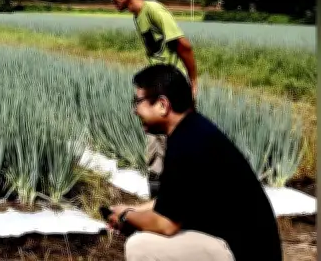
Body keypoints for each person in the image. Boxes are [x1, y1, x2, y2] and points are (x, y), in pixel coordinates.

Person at [106, 64, 282, 261]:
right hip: (247, 246)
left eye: (138, 102)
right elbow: (172, 201)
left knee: (140, 246)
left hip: (242, 252)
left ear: (162, 105)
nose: (135, 110)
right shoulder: (192, 130)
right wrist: (132, 210)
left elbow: (165, 224)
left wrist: (125, 217)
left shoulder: (186, 144)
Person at [104, 0, 198, 198]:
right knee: (155, 144)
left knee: (175, 143)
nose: (112, 2)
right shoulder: (138, 17)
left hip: (172, 85)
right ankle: (157, 198)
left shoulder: (153, 10)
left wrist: (193, 81)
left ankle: (181, 199)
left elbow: (184, 46)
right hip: (158, 86)